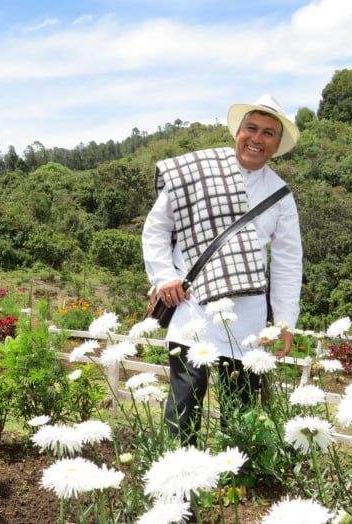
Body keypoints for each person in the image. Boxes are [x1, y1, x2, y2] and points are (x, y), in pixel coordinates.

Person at [141, 94, 303, 445]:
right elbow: (156, 226)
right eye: (251, 128)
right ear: (238, 132)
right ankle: (178, 479)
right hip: (192, 305)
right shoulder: (197, 169)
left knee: (242, 404)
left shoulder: (280, 194)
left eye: (268, 133)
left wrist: (285, 322)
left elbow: (289, 262)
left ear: (277, 144)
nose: (257, 139)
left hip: (247, 314)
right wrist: (164, 276)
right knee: (184, 399)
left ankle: (236, 479)